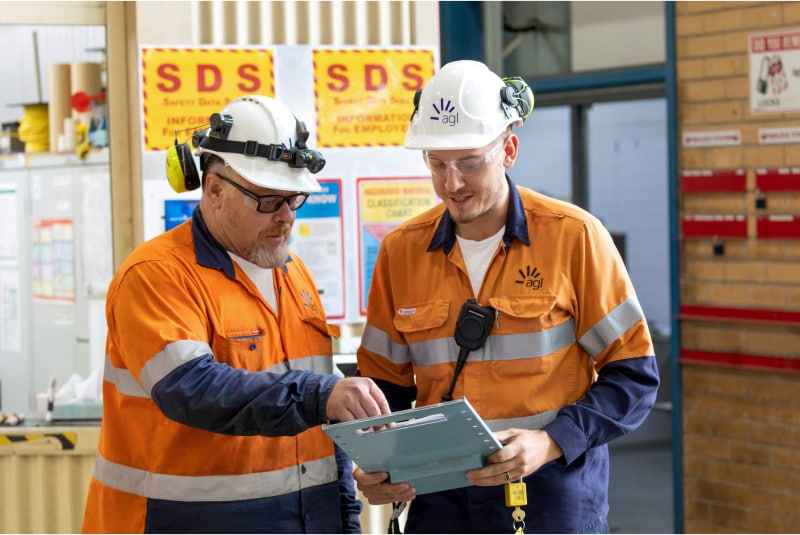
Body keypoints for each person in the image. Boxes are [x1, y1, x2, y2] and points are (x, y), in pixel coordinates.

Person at [353, 60, 660, 534]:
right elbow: (384, 388)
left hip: (552, 495)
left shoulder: (574, 238)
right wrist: (379, 461)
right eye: (437, 164)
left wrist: (551, 441)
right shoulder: (400, 252)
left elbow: (634, 377)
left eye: (470, 163)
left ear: (509, 149)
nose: (452, 184)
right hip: (441, 501)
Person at [82, 95, 391, 534]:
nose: (286, 218)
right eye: (268, 200)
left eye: (294, 198)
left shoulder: (293, 274)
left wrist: (345, 520)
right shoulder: (156, 276)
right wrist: (318, 396)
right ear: (215, 190)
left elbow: (323, 431)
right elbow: (189, 388)